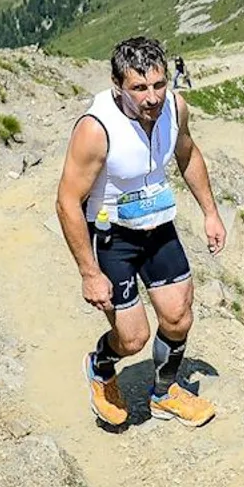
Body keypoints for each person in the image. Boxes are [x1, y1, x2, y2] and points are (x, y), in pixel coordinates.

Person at [55, 36, 227, 429]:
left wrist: (211, 213)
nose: (152, 97)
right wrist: (88, 273)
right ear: (118, 85)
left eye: (158, 84)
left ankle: (164, 393)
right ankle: (100, 367)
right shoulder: (96, 129)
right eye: (139, 88)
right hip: (113, 236)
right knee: (132, 339)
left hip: (158, 227)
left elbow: (186, 152)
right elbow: (66, 202)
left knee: (179, 316)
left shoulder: (175, 107)